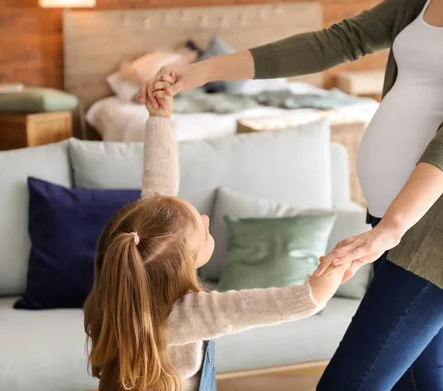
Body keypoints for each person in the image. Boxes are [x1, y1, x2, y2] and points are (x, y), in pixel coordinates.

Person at [138, 0, 443, 389]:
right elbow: (336, 41)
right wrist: (200, 73)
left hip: (438, 236)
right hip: (387, 222)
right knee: (422, 381)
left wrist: (393, 227)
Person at [83, 80, 349, 391]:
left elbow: (160, 189)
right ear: (185, 261)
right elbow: (275, 304)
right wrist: (332, 275)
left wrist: (159, 121)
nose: (207, 218)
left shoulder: (121, 283)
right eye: (202, 226)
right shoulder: (187, 315)